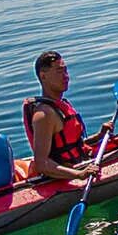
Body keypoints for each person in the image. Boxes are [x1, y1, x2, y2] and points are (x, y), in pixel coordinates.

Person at [22, 51, 97, 183]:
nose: (66, 76)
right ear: (43, 76)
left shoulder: (60, 105)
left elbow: (70, 145)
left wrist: (98, 136)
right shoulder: (44, 115)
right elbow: (42, 163)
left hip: (79, 162)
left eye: (66, 71)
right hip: (63, 175)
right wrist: (79, 174)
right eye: (59, 71)